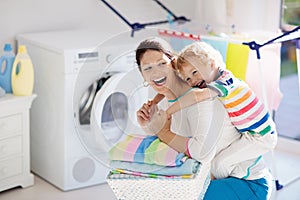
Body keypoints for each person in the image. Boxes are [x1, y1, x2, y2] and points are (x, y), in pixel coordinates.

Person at [135, 37, 273, 200]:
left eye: (161, 64)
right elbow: (176, 146)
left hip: (247, 183)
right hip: (220, 176)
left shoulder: (202, 96)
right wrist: (150, 125)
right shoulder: (173, 100)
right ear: (143, 76)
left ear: (173, 64)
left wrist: (162, 130)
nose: (156, 72)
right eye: (148, 68)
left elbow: (201, 152)